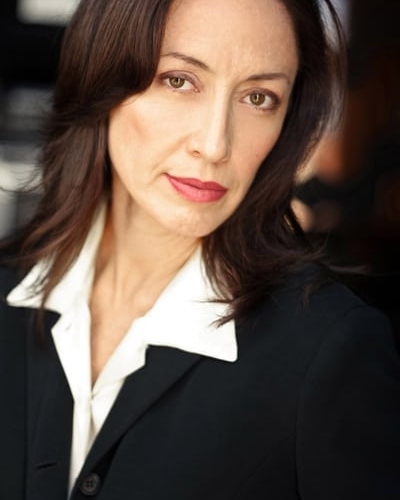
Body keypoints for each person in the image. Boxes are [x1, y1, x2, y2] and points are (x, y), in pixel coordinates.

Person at [0, 0, 399, 498]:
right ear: (103, 75)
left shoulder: (330, 351)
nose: (214, 145)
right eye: (179, 80)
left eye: (258, 97)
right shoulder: (9, 290)